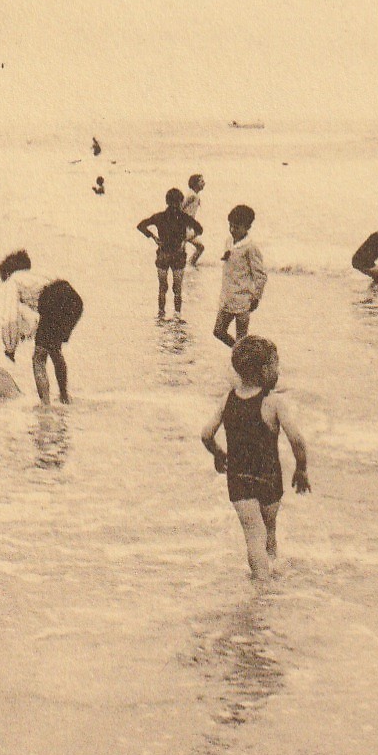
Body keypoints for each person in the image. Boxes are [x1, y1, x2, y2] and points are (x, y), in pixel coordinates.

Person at [200, 335, 311, 582]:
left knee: (252, 533)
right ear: (264, 370)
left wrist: (218, 455)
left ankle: (261, 584)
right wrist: (301, 469)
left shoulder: (227, 399)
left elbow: (206, 434)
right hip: (269, 477)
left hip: (239, 477)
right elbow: (297, 439)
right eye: (276, 365)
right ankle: (267, 577)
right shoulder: (273, 403)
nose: (278, 371)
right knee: (269, 529)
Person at [0, 250, 83, 404]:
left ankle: (45, 405)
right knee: (54, 350)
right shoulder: (36, 276)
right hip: (74, 300)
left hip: (53, 300)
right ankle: (64, 396)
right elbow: (37, 320)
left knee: (39, 357)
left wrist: (10, 347)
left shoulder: (13, 280)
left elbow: (9, 317)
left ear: (7, 272)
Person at [137, 187, 205, 319]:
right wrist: (186, 239)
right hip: (178, 254)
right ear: (180, 202)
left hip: (163, 254)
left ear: (167, 201)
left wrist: (153, 237)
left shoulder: (159, 216)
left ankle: (161, 314)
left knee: (162, 287)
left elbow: (141, 225)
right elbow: (200, 229)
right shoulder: (184, 217)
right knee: (177, 289)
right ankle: (177, 316)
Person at [214, 205, 266, 347]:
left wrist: (256, 297)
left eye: (236, 227)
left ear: (247, 227)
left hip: (243, 300)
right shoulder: (228, 241)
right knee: (218, 331)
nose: (232, 230)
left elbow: (260, 276)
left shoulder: (250, 247)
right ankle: (238, 352)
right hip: (227, 298)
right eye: (230, 226)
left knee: (241, 338)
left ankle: (241, 359)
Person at [182, 174, 206, 266]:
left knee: (200, 247)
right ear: (195, 184)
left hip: (189, 227)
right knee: (184, 247)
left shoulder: (196, 195)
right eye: (202, 181)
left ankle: (190, 265)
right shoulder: (191, 195)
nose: (204, 183)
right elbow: (180, 208)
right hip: (183, 227)